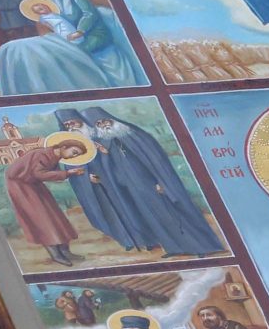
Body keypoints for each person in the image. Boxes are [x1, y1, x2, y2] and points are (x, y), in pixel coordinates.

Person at [82, 108, 225, 258]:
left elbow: (155, 162)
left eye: (105, 120)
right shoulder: (106, 144)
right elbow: (111, 170)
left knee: (172, 216)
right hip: (134, 190)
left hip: (152, 185)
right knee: (153, 219)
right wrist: (105, 155)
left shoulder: (135, 136)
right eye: (99, 124)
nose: (104, 125)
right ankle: (173, 248)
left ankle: (201, 247)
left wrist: (161, 182)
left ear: (112, 119)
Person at [29, 0, 142, 86]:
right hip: (72, 36)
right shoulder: (52, 1)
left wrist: (80, 31)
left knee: (77, 54)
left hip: (94, 33)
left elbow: (89, 14)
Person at [52, 110, 132, 250]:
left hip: (112, 181)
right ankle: (126, 241)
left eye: (73, 122)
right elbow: (73, 168)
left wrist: (105, 155)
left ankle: (143, 239)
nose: (71, 127)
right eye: (67, 125)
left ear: (82, 122)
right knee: (108, 212)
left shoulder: (100, 136)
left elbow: (116, 159)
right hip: (93, 187)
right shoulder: (70, 148)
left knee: (126, 207)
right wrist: (86, 177)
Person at [0, 130, 76, 265]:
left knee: (56, 216)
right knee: (42, 220)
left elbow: (54, 174)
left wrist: (68, 175)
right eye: (74, 152)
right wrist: (67, 173)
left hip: (34, 184)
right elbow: (40, 174)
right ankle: (56, 255)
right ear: (64, 147)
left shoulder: (54, 156)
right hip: (21, 187)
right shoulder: (42, 154)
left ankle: (65, 251)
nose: (73, 156)